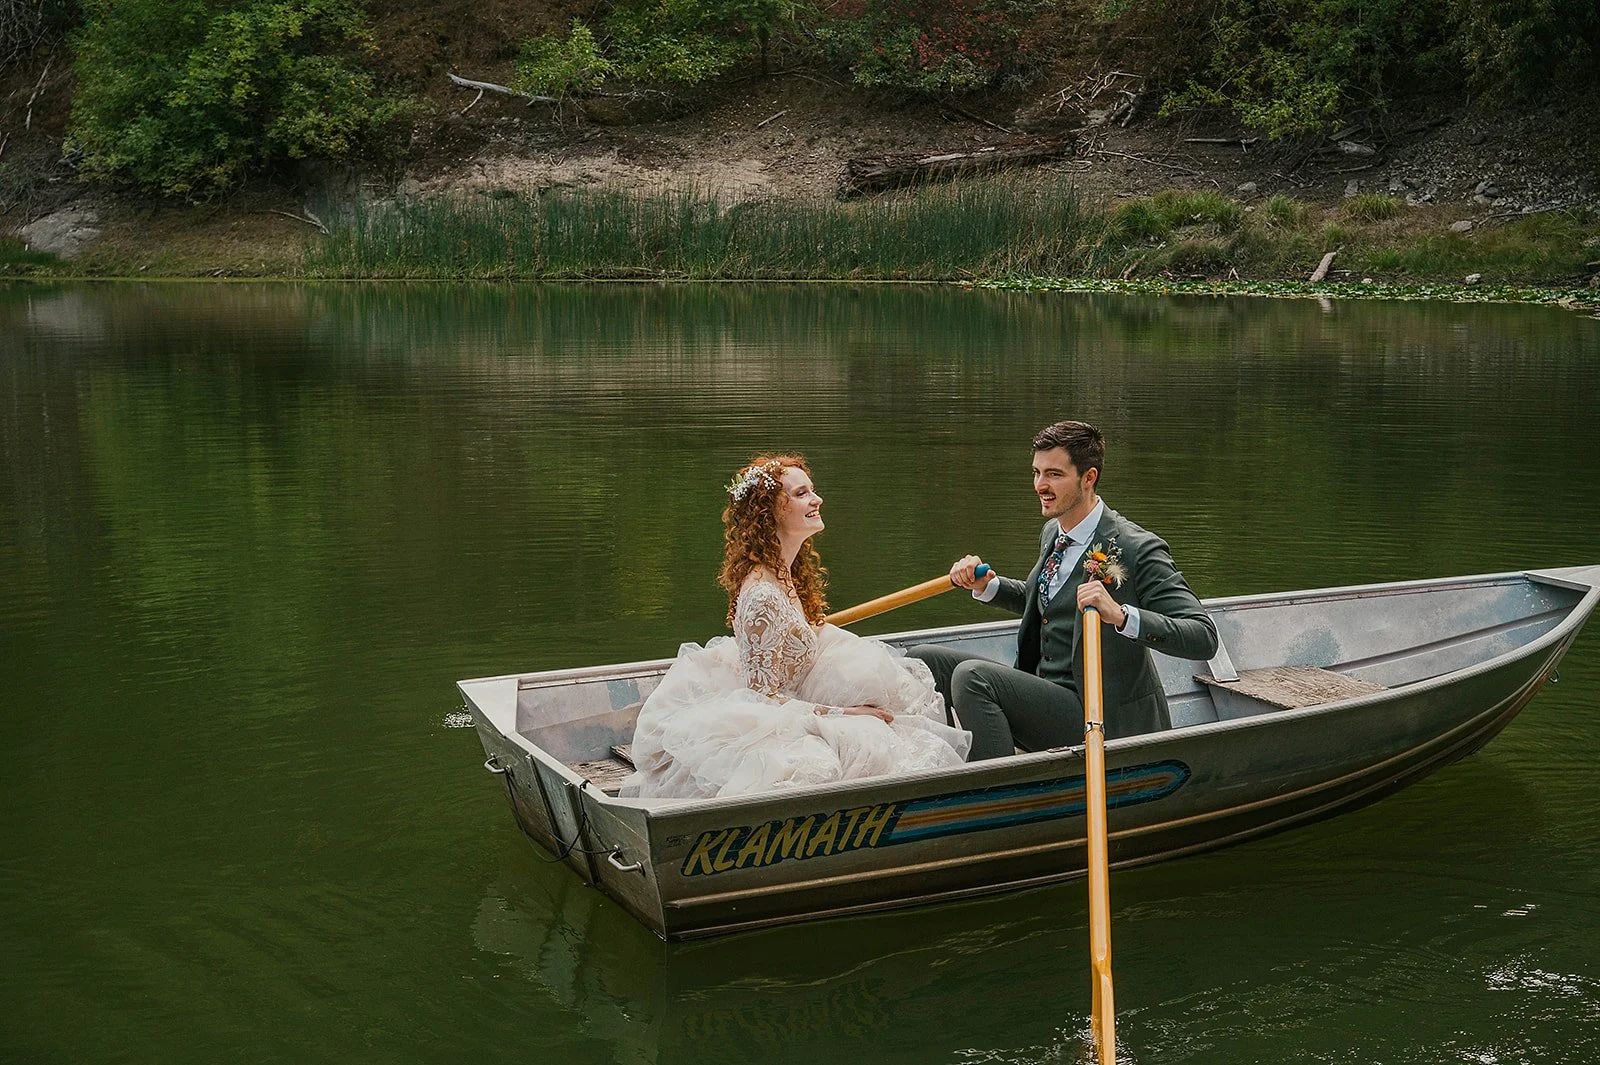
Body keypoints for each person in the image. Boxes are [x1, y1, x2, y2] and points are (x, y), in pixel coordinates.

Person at [620, 454, 972, 800]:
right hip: (769, 717)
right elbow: (761, 700)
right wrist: (846, 713)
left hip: (790, 699)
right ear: (771, 511)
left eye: (812, 490)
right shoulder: (761, 596)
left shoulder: (784, 575)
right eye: (801, 494)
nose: (816, 499)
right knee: (871, 740)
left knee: (890, 698)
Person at [909, 421, 1218, 759]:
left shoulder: (1136, 548)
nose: (1041, 485)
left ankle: (998, 792)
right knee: (924, 660)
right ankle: (930, 763)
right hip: (1048, 694)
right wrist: (990, 587)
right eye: (1037, 473)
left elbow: (1203, 636)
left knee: (972, 678)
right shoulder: (1051, 533)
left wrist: (1120, 615)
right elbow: (1048, 602)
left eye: (1054, 475)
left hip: (1103, 716)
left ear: (1089, 478)